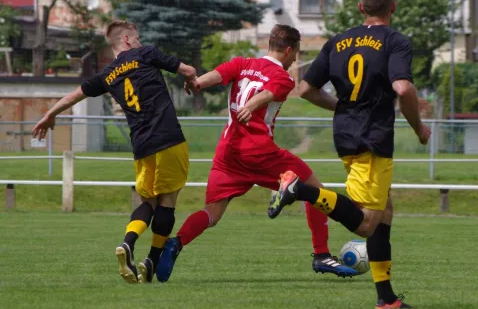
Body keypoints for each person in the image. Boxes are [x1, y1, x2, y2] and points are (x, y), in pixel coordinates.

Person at [267, 0, 431, 309]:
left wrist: (341, 107)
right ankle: (299, 190)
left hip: (344, 134)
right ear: (392, 8)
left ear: (360, 8)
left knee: (384, 211)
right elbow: (403, 89)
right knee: (367, 221)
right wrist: (419, 128)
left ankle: (386, 298)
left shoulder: (338, 41)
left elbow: (307, 89)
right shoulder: (395, 41)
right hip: (374, 136)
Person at [155, 24, 356, 283]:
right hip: (260, 153)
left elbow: (205, 80)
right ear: (287, 49)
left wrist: (194, 84)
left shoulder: (241, 63)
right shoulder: (284, 77)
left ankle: (176, 243)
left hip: (228, 153)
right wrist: (251, 105)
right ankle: (321, 254)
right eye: (295, 53)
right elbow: (267, 94)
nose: (295, 58)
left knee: (211, 213)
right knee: (315, 190)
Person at [32, 20, 197, 284]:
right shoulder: (146, 54)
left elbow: (72, 97)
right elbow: (188, 69)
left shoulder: (107, 75)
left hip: (141, 145)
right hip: (168, 138)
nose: (140, 42)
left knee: (148, 203)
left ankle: (129, 243)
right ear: (129, 40)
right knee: (168, 201)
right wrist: (191, 80)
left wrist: (50, 115)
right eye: (138, 38)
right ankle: (152, 259)